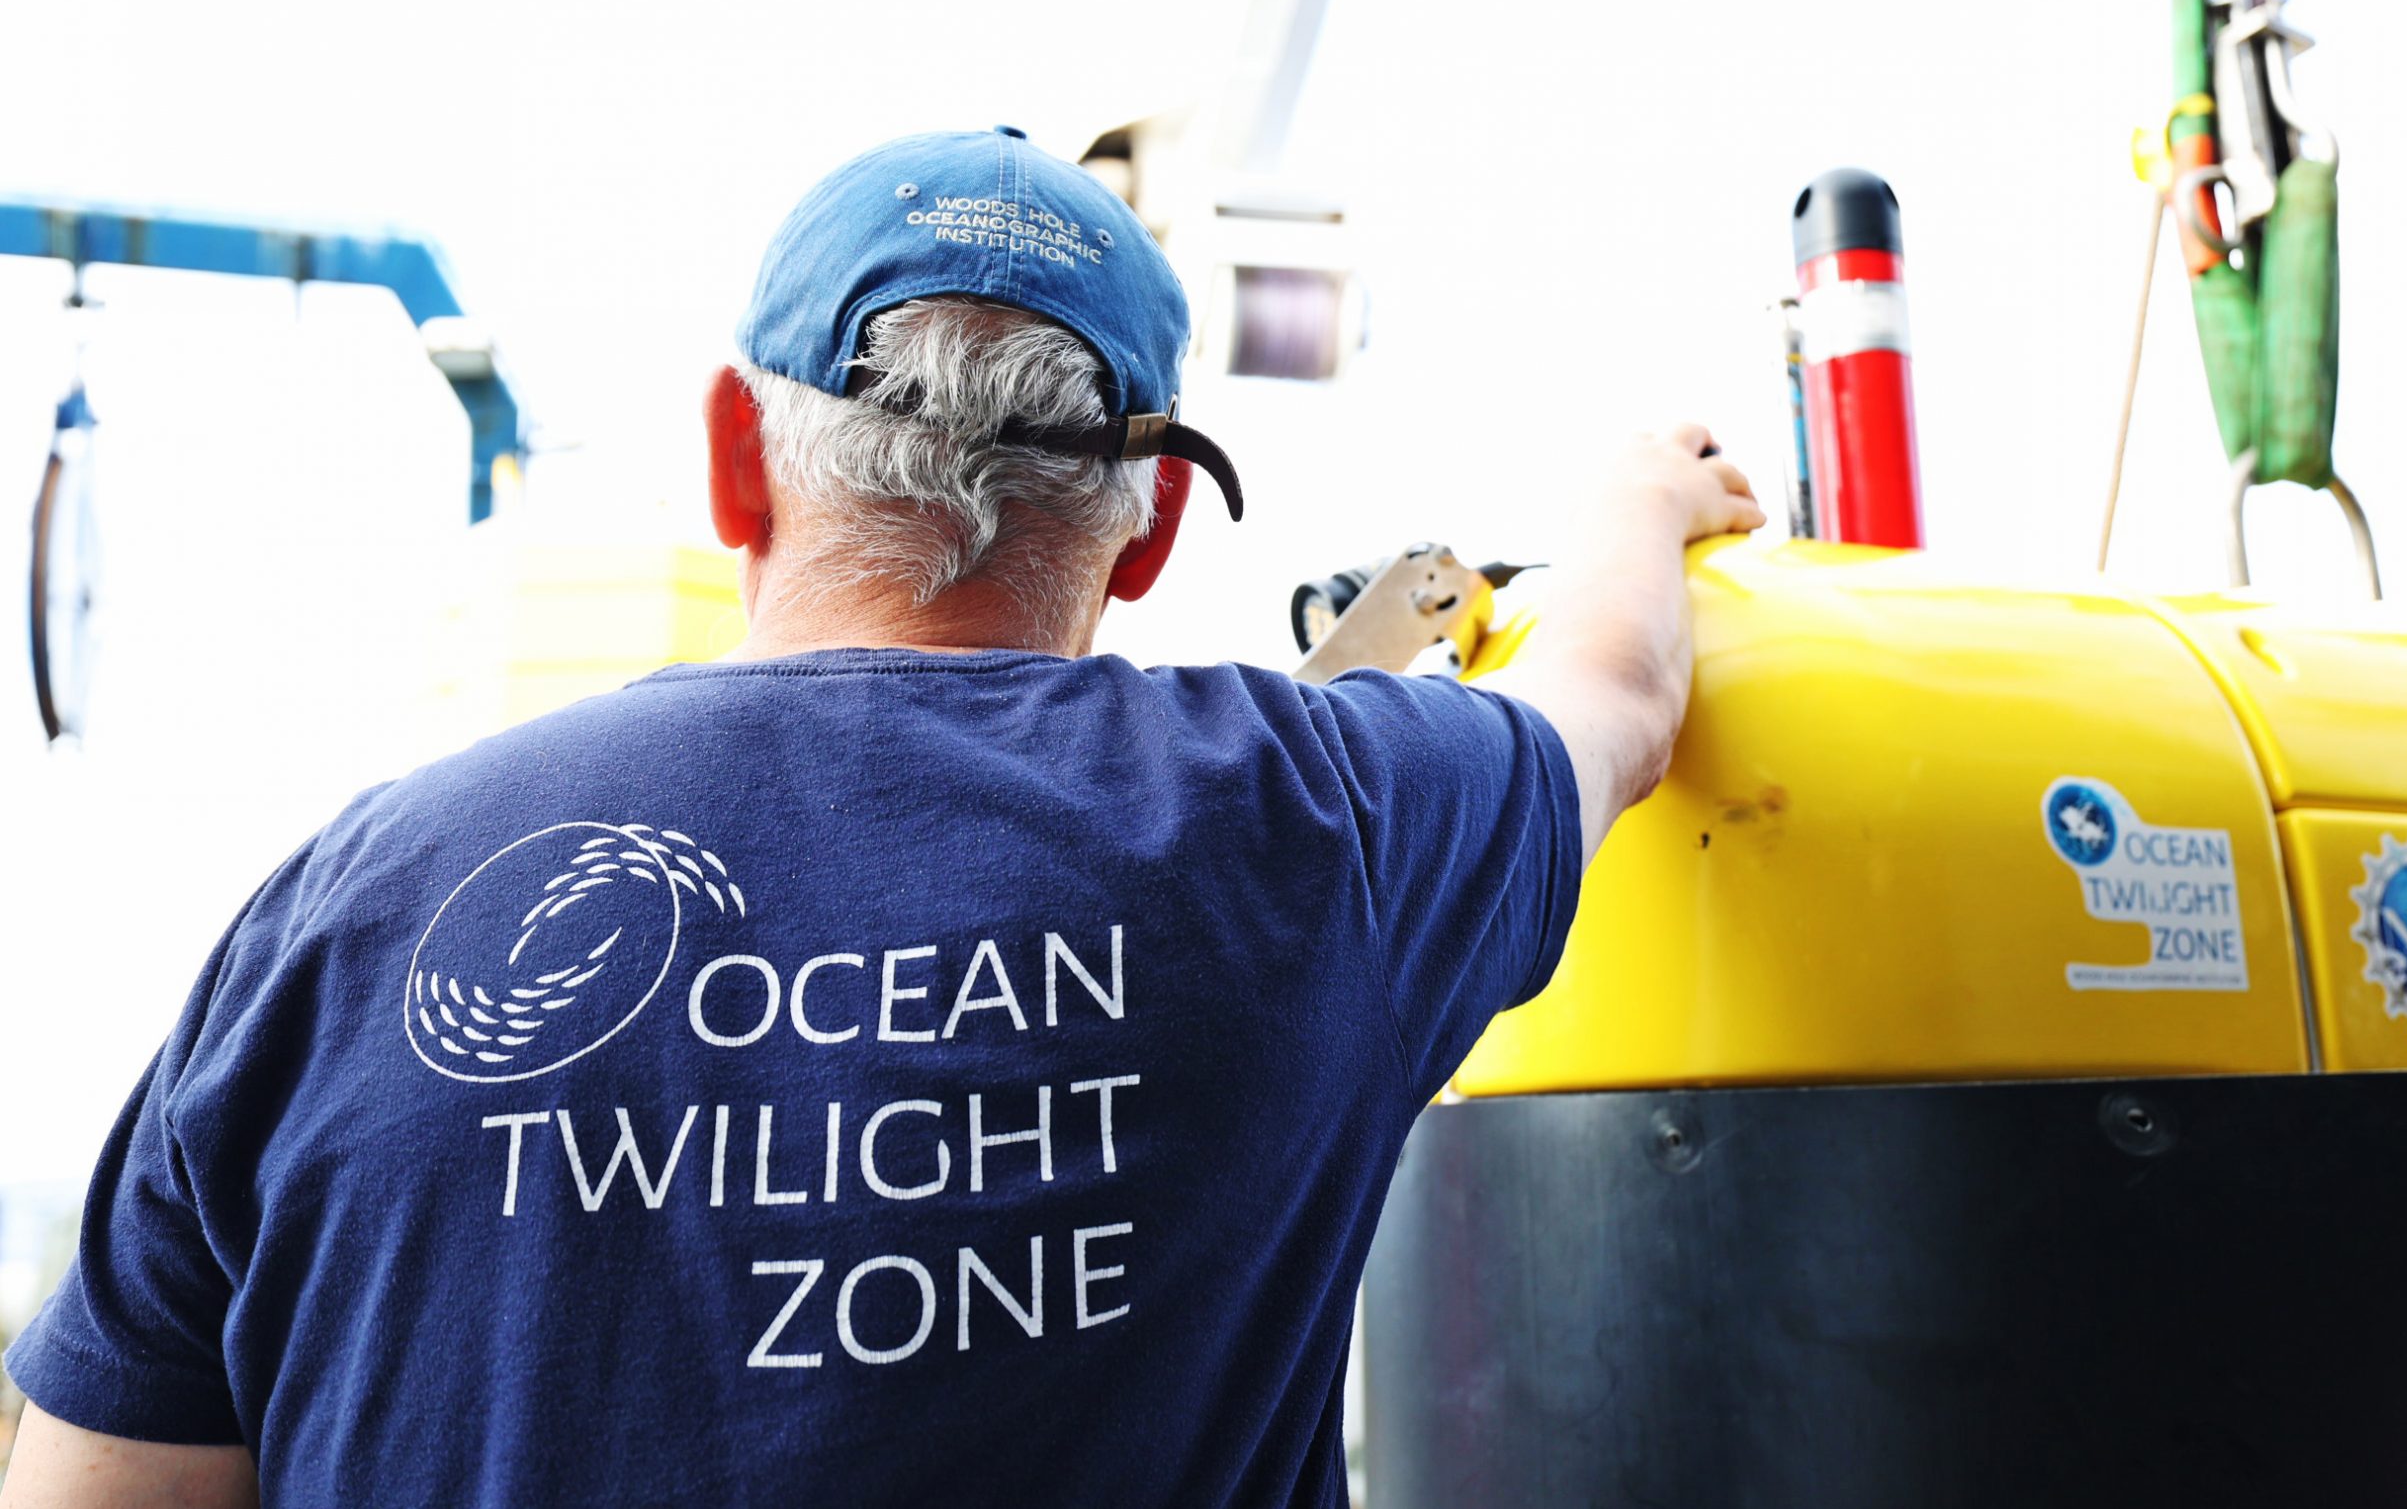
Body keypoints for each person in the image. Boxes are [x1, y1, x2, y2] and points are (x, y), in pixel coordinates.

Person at [0, 126, 1762, 1508]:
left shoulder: (342, 914)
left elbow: (106, 1483)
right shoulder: (1326, 823)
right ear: (1145, 535)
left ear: (728, 457)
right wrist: (1637, 500)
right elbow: (1613, 696)